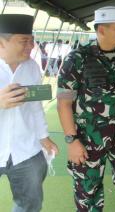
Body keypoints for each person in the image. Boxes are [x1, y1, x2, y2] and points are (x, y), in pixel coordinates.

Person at [57, 6, 115, 211]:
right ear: (101, 30)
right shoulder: (76, 59)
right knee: (88, 192)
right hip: (89, 137)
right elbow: (64, 103)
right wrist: (72, 140)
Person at [0, 14, 59, 212]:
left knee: (30, 204)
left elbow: (35, 107)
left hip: (25, 148)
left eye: (32, 41)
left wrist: (44, 137)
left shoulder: (32, 67)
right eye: (23, 41)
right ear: (1, 43)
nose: (31, 46)